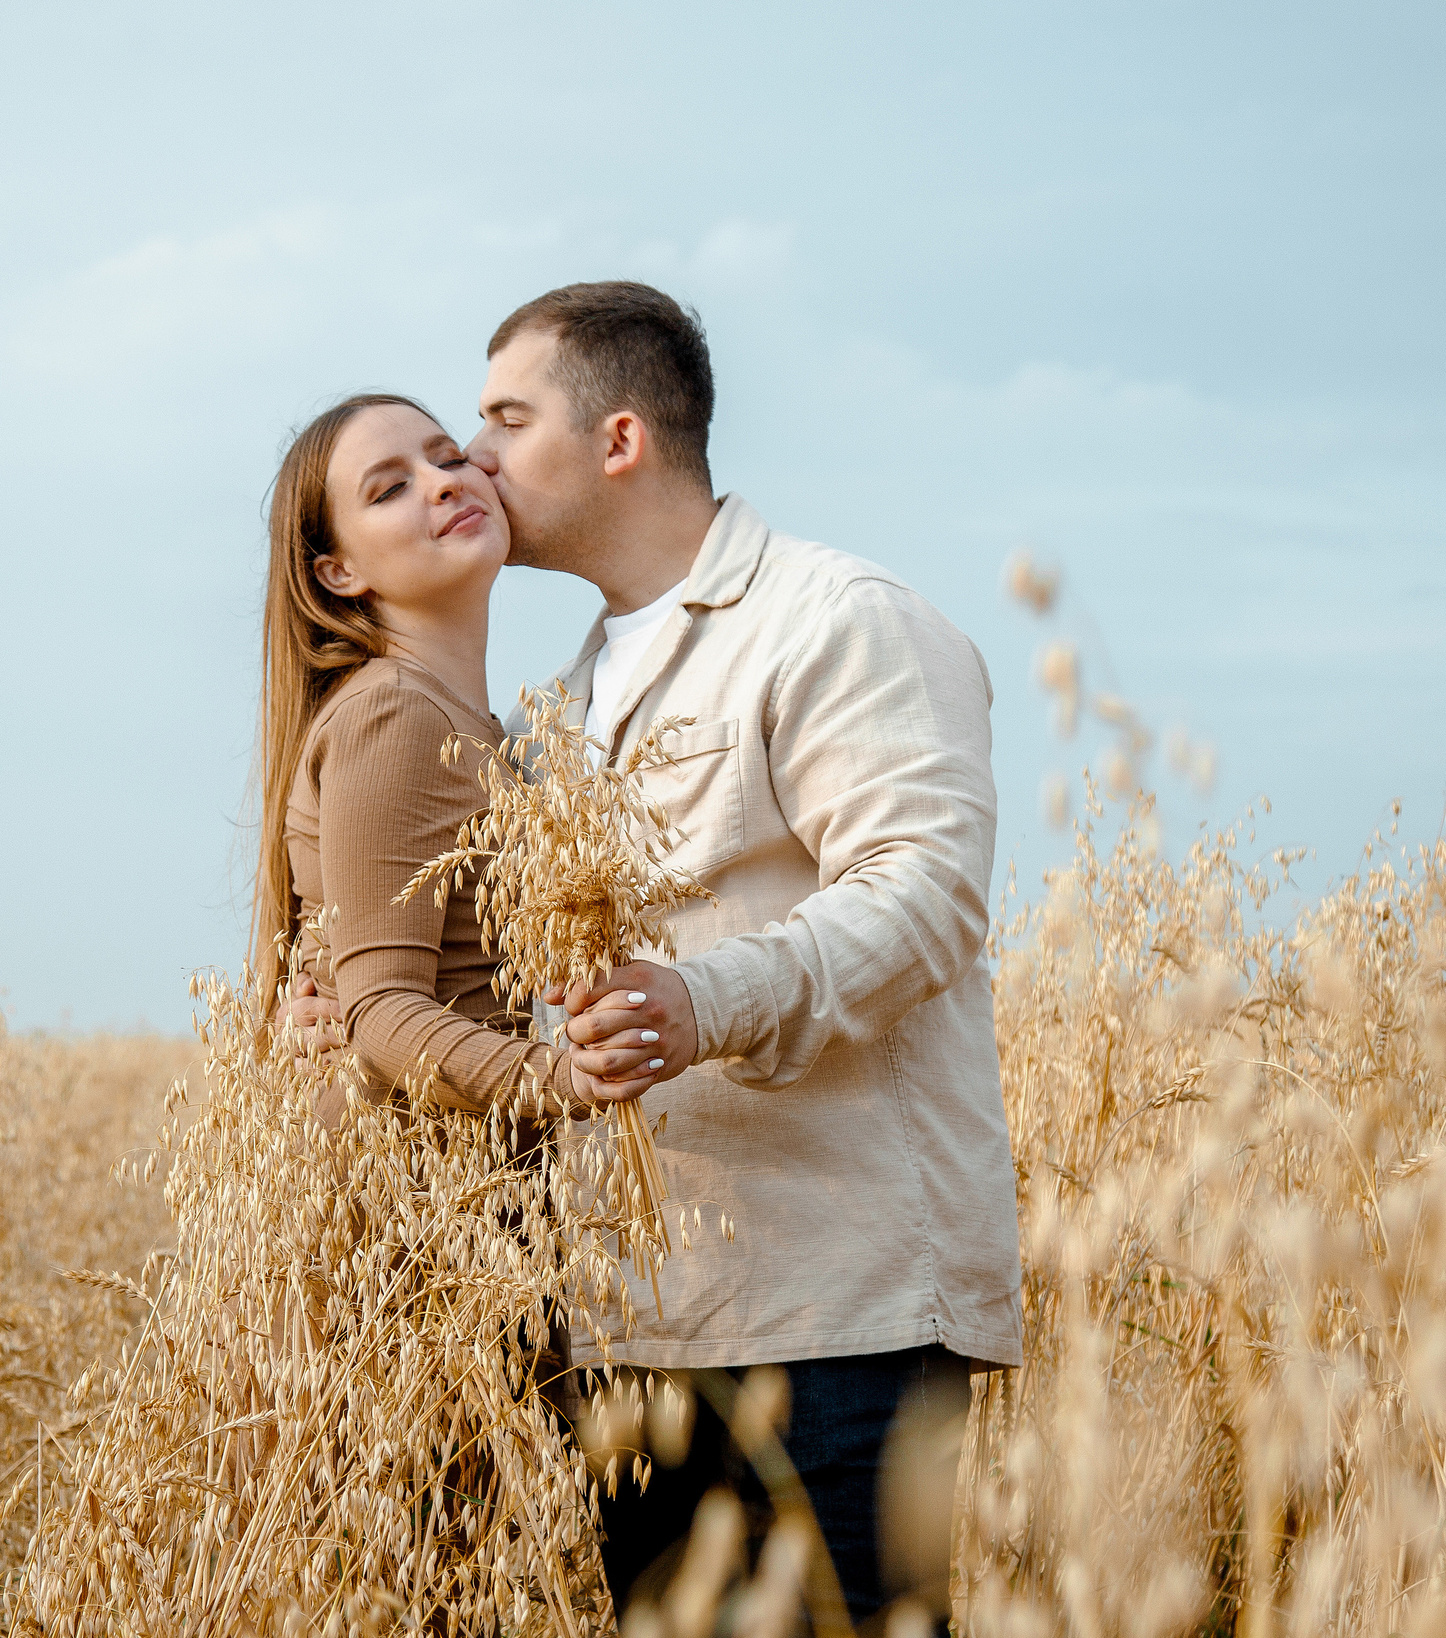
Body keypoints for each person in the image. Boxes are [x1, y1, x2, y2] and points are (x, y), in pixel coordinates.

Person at [286, 282, 1023, 1631]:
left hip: (831, 1314)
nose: (475, 459)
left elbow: (925, 895)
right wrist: (342, 1012)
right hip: (627, 1333)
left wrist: (699, 1001)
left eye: (501, 421)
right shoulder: (554, 713)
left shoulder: (837, 617)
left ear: (617, 438)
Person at [252, 390, 654, 1121]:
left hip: (473, 1175)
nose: (442, 482)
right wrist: (568, 1080)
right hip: (417, 1183)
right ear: (339, 573)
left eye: (448, 457)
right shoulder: (393, 716)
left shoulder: (482, 728)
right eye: (389, 489)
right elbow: (381, 1014)